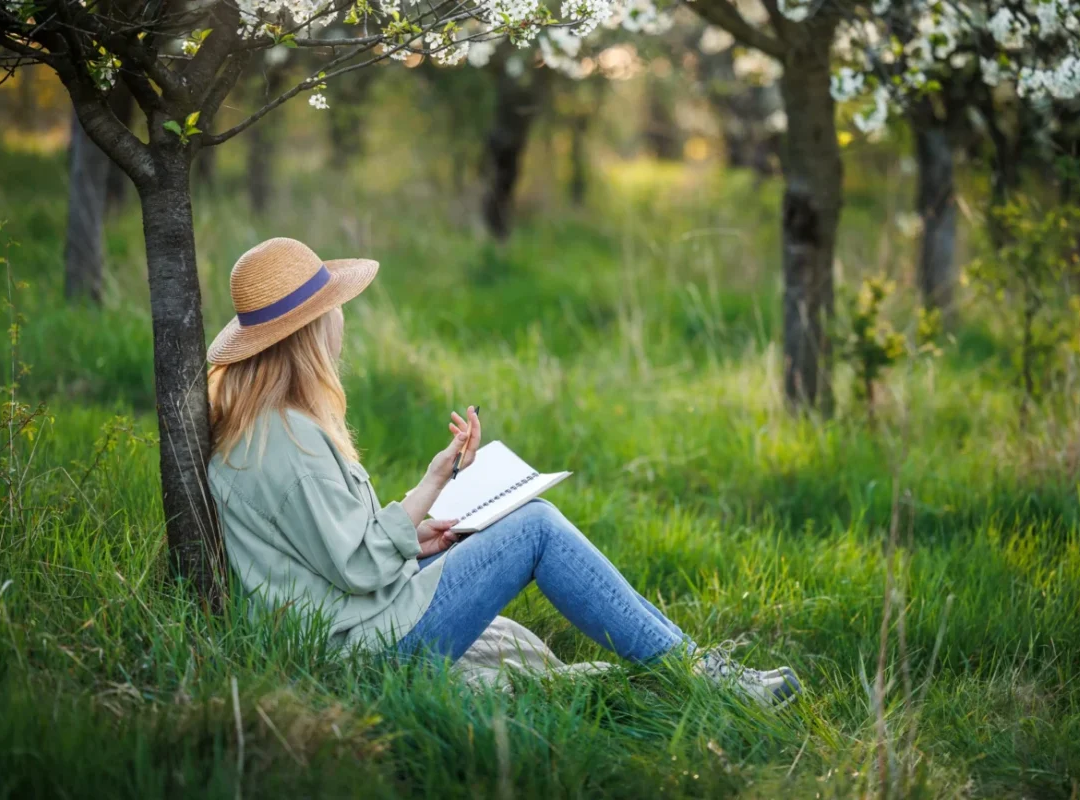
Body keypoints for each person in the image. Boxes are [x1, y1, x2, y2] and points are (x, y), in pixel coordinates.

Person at [206, 238, 802, 707]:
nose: (342, 323)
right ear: (310, 332)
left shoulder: (262, 430)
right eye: (334, 311)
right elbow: (359, 566)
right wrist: (409, 530)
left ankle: (694, 665)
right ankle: (698, 676)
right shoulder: (291, 442)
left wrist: (426, 502)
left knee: (521, 526)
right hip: (366, 649)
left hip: (353, 627)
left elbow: (332, 551)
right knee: (535, 526)